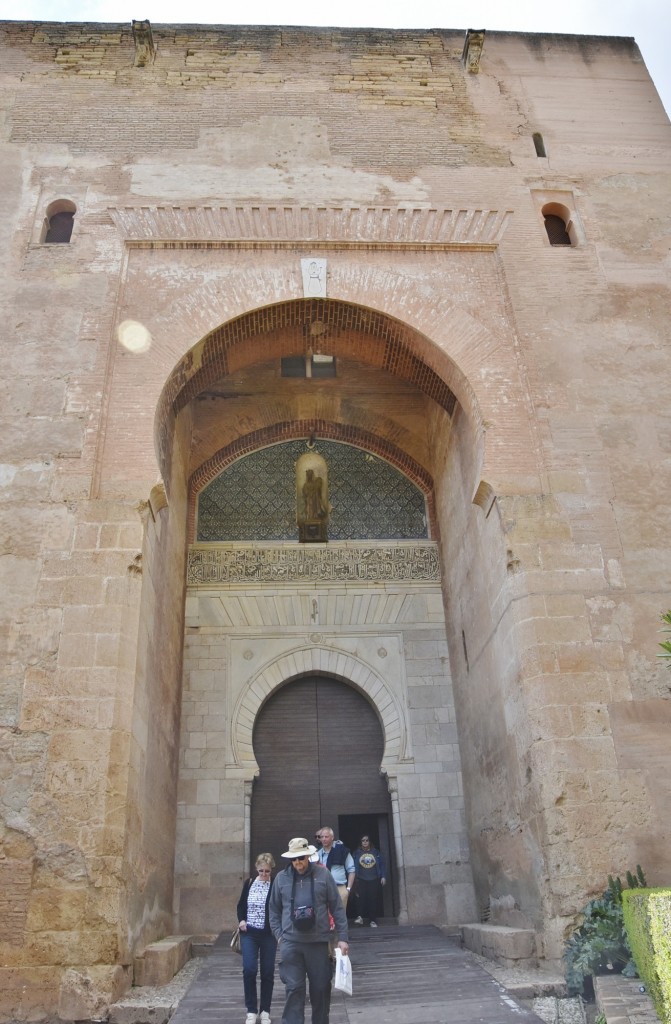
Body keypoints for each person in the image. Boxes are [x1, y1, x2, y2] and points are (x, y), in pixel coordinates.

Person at [269, 837, 349, 1024]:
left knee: (321, 990)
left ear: (309, 856)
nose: (298, 862)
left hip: (318, 943)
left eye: (302, 858)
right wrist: (279, 936)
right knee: (294, 990)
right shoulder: (281, 878)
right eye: (294, 859)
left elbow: (337, 907)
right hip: (291, 944)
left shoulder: (324, 875)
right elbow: (273, 909)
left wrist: (343, 938)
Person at [237, 852, 278, 1024]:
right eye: (261, 871)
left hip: (268, 934)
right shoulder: (249, 883)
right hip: (250, 933)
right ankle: (251, 1010)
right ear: (256, 868)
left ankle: (265, 1011)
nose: (263, 875)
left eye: (267, 871)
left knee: (267, 972)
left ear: (271, 870)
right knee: (249, 969)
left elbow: (279, 907)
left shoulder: (275, 885)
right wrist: (242, 920)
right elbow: (241, 905)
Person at [314, 827, 355, 908]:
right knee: (324, 917)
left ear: (332, 837)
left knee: (340, 917)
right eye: (322, 837)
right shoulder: (317, 854)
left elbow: (352, 870)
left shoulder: (342, 851)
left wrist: (348, 889)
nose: (324, 839)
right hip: (323, 889)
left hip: (339, 888)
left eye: (326, 836)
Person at [352, 835, 386, 928]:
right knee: (360, 898)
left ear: (369, 841)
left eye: (367, 840)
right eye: (363, 840)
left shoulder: (376, 852)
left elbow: (382, 864)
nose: (365, 842)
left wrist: (383, 876)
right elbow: (352, 866)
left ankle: (373, 920)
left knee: (372, 899)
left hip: (374, 878)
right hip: (361, 879)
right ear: (361, 842)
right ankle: (360, 917)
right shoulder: (356, 853)